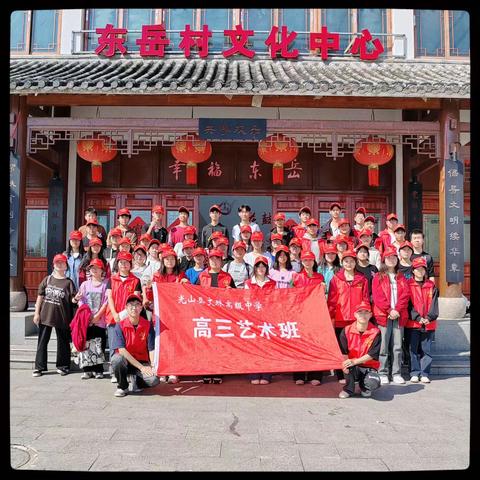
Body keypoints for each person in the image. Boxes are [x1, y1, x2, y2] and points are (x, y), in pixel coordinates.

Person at [327, 250, 369, 382]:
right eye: (346, 261)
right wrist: (331, 316)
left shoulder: (362, 278)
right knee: (342, 347)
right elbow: (332, 300)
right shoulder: (336, 279)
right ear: (342, 262)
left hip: (357, 319)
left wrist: (364, 315)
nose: (349, 264)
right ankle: (341, 374)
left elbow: (365, 299)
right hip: (340, 318)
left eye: (351, 261)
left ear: (355, 262)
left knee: (356, 347)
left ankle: (356, 373)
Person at [32, 254, 76, 377]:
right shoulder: (47, 279)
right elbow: (40, 297)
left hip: (62, 317)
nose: (60, 264)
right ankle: (39, 367)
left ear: (66, 265)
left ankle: (63, 366)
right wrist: (36, 314)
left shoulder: (68, 282)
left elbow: (72, 299)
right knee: (42, 341)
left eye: (62, 262)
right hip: (46, 316)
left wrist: (76, 299)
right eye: (57, 262)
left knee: (63, 342)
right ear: (53, 265)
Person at [372, 247, 410, 385]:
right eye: (388, 257)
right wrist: (389, 310)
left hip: (399, 316)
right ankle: (382, 372)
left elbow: (406, 295)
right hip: (383, 315)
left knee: (397, 346)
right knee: (383, 346)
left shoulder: (401, 276)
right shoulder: (378, 277)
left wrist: (397, 310)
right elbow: (377, 297)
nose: (391, 260)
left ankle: (396, 373)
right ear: (384, 260)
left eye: (394, 257)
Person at [197, 248, 236, 384]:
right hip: (206, 315)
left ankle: (219, 370)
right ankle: (207, 371)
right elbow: (194, 293)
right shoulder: (202, 276)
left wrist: (231, 292)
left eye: (217, 259)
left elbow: (236, 297)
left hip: (222, 315)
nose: (214, 261)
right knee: (206, 343)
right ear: (208, 260)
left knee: (220, 344)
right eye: (212, 258)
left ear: (221, 260)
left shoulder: (227, 277)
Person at [109, 293, 160, 397]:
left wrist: (152, 366)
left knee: (154, 380)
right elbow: (122, 350)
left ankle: (137, 379)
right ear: (126, 308)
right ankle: (123, 386)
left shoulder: (147, 325)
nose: (134, 307)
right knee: (116, 359)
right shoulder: (120, 326)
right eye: (131, 305)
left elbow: (151, 349)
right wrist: (141, 368)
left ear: (141, 308)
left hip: (142, 361)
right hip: (125, 362)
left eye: (137, 304)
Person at [105, 251, 142, 383]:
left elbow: (135, 300)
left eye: (126, 262)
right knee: (114, 345)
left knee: (127, 346)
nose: (124, 265)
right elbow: (109, 297)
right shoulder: (111, 279)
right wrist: (115, 314)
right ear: (117, 264)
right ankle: (115, 372)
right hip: (113, 317)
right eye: (121, 262)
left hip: (128, 318)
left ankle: (127, 372)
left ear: (130, 264)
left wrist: (124, 315)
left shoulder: (135, 280)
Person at [291, 250, 326, 385]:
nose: (308, 262)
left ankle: (315, 375)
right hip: (300, 315)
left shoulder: (319, 277)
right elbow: (290, 297)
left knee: (315, 346)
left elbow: (324, 295)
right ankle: (299, 374)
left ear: (314, 261)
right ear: (301, 262)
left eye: (310, 260)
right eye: (305, 260)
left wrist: (324, 289)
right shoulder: (296, 277)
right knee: (300, 346)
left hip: (316, 315)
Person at [72, 258, 108, 379]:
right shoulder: (85, 285)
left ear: (102, 270)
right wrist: (88, 316)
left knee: (99, 345)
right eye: (92, 268)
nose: (94, 270)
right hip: (86, 321)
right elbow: (81, 301)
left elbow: (106, 302)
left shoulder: (105, 285)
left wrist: (97, 316)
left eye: (97, 268)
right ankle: (87, 369)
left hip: (100, 321)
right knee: (86, 344)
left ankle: (98, 370)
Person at [406, 257, 439, 384]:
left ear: (425, 271)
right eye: (417, 269)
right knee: (412, 349)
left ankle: (424, 373)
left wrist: (429, 318)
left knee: (427, 349)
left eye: (422, 269)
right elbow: (408, 305)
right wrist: (418, 318)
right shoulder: (409, 285)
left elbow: (434, 304)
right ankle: (414, 372)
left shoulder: (431, 286)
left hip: (429, 324)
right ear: (413, 271)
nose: (420, 271)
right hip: (414, 323)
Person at [338, 301, 382, 399]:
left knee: (373, 383)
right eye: (360, 312)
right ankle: (348, 389)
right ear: (355, 315)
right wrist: (346, 364)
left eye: (366, 312)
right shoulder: (346, 330)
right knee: (346, 365)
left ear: (370, 315)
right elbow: (343, 352)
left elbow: (372, 354)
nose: (363, 315)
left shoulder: (376, 332)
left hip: (368, 366)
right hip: (352, 365)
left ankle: (365, 388)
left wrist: (355, 361)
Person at [244, 256, 276, 385]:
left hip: (268, 318)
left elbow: (275, 300)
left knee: (267, 347)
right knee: (253, 346)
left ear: (267, 268)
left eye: (263, 266)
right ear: (255, 268)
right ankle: (254, 373)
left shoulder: (272, 283)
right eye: (258, 266)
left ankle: (267, 374)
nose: (261, 269)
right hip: (253, 318)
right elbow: (246, 300)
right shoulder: (248, 283)